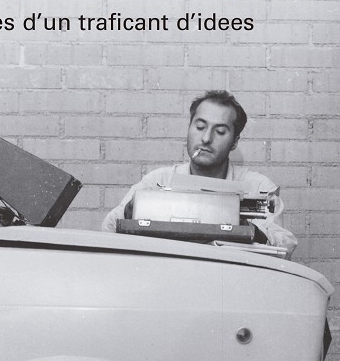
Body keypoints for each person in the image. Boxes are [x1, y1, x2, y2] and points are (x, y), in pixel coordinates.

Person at [102, 90, 298, 257]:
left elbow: (285, 247)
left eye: (220, 132)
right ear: (189, 128)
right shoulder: (158, 181)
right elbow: (108, 229)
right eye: (200, 127)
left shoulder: (258, 187)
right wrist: (130, 212)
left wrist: (250, 231)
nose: (206, 138)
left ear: (234, 142)